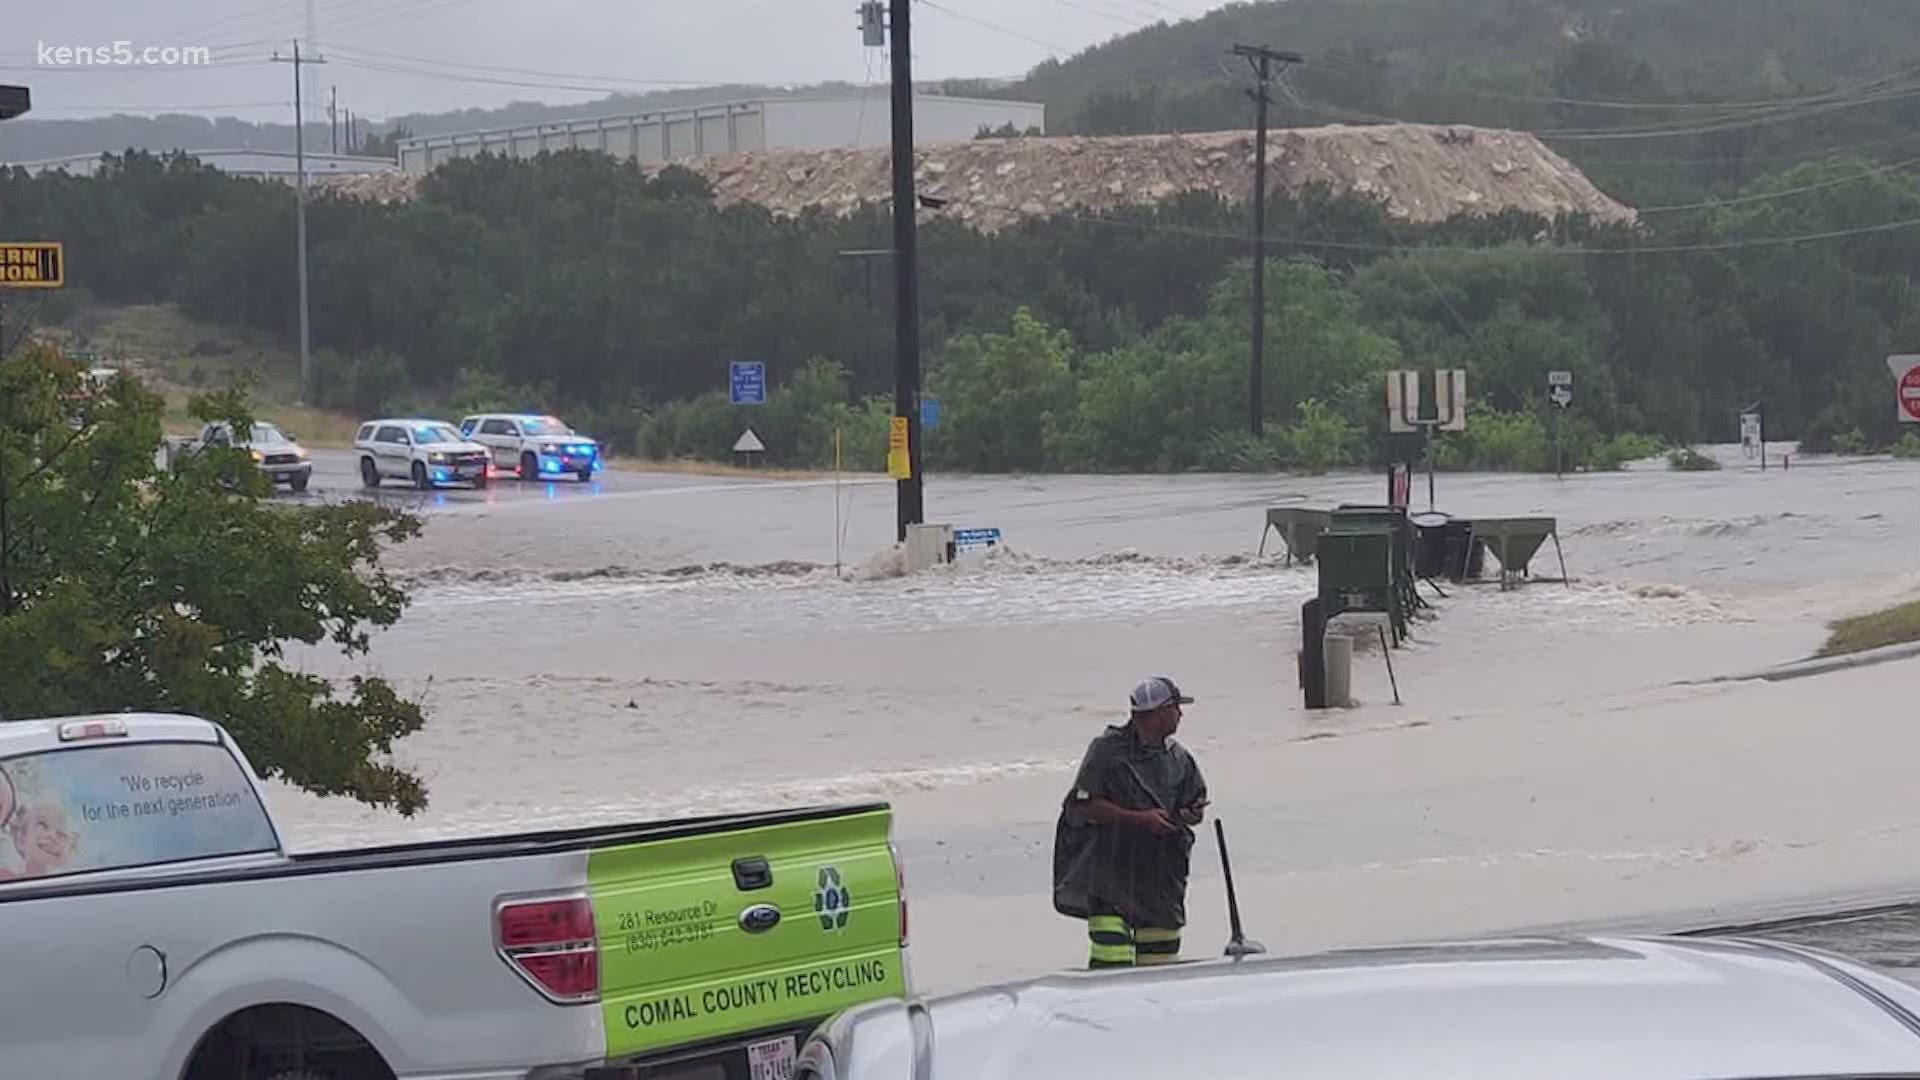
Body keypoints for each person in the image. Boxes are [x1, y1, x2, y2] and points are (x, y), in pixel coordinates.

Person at [1052, 676, 1209, 969]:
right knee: (1112, 968)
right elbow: (1084, 806)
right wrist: (1139, 820)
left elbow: (1196, 804)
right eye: (1176, 707)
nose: (1181, 715)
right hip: (1110, 880)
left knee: (1159, 974)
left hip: (1162, 884)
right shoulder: (1106, 752)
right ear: (1157, 713)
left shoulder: (1180, 759)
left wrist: (1189, 814)